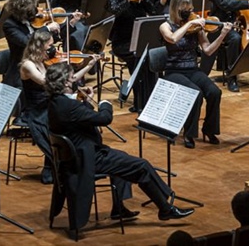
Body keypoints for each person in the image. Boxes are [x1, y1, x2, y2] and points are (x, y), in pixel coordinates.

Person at [46, 62, 194, 235]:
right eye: (72, 77)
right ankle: (165, 208)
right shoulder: (70, 107)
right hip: (88, 158)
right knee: (142, 166)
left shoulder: (55, 102)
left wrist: (83, 100)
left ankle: (119, 208)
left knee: (121, 157)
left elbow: (80, 116)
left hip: (76, 156)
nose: (76, 80)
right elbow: (103, 118)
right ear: (65, 83)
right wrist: (105, 103)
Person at [19, 29, 100, 184]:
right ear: (40, 46)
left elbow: (71, 79)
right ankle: (53, 167)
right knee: (62, 124)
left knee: (76, 119)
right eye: (50, 45)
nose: (53, 48)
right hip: (37, 111)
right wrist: (63, 69)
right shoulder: (28, 65)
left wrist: (89, 65)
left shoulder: (44, 61)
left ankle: (78, 160)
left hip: (51, 105)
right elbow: (48, 83)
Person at [160, 0, 232, 149]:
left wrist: (222, 35)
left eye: (190, 8)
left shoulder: (196, 27)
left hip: (192, 69)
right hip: (174, 71)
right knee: (195, 93)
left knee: (214, 92)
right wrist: (188, 25)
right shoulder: (166, 26)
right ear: (175, 9)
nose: (189, 12)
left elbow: (207, 50)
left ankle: (209, 130)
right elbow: (172, 39)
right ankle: (189, 133)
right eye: (184, 9)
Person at [105, 0, 161, 111]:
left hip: (140, 41)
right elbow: (115, 12)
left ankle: (151, 99)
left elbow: (154, 12)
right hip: (122, 43)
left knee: (152, 57)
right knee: (140, 60)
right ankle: (140, 103)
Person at [2, 0, 63, 89]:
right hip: (22, 66)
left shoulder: (33, 19)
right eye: (32, 7)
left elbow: (49, 40)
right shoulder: (9, 25)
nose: (35, 10)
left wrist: (69, 25)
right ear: (22, 9)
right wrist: (47, 28)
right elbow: (27, 41)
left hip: (41, 62)